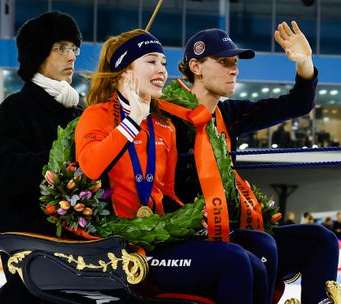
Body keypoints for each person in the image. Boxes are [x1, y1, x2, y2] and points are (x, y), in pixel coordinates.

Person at [75, 29, 273, 304]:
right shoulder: (97, 116)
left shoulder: (164, 126)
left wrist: (194, 220)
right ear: (124, 70)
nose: (162, 71)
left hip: (160, 240)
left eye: (164, 63)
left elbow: (166, 194)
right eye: (151, 61)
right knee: (235, 261)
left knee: (255, 263)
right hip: (120, 250)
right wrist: (132, 122)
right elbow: (91, 168)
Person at [163, 22, 339, 304]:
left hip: (230, 232)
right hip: (189, 238)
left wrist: (305, 64)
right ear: (195, 67)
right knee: (261, 246)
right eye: (223, 61)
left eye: (234, 61)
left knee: (320, 240)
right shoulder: (167, 117)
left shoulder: (228, 114)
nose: (234, 69)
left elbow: (296, 105)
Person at [0, 11, 82, 303]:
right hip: (33, 246)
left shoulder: (81, 112)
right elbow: (3, 175)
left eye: (74, 49)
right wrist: (62, 160)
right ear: (38, 53)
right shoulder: (14, 110)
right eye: (61, 48)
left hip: (84, 243)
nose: (71, 56)